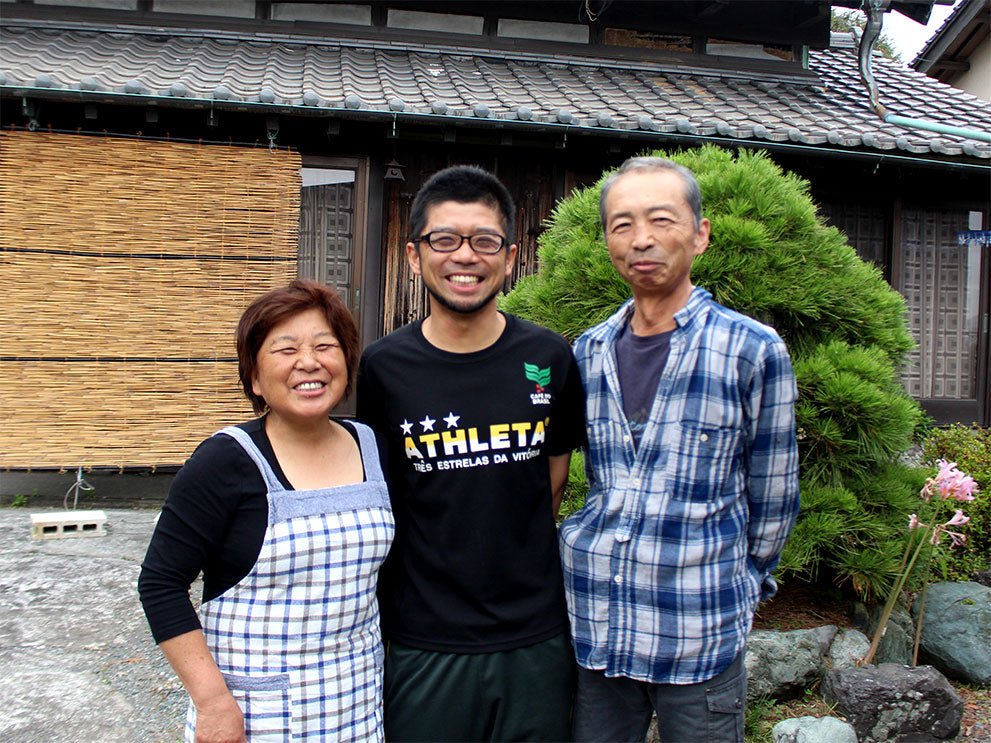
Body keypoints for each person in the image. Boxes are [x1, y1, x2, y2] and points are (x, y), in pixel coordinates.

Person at [559, 156, 800, 742]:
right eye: (622, 224)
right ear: (608, 241)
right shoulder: (587, 352)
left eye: (661, 220)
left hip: (699, 624)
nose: (641, 239)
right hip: (599, 624)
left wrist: (744, 582)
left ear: (700, 234)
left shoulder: (751, 349)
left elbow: (774, 493)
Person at [356, 165, 585, 742]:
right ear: (415, 256)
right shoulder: (383, 368)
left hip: (535, 634)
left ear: (510, 258)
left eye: (485, 241)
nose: (465, 255)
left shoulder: (549, 357)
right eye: (444, 239)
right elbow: (380, 491)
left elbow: (553, 477)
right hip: (424, 638)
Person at [138, 280, 393, 742]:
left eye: (324, 346)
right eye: (286, 349)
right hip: (255, 715)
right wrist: (211, 701)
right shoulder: (226, 460)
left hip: (356, 705)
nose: (308, 362)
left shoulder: (372, 446)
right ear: (254, 377)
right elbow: (160, 583)